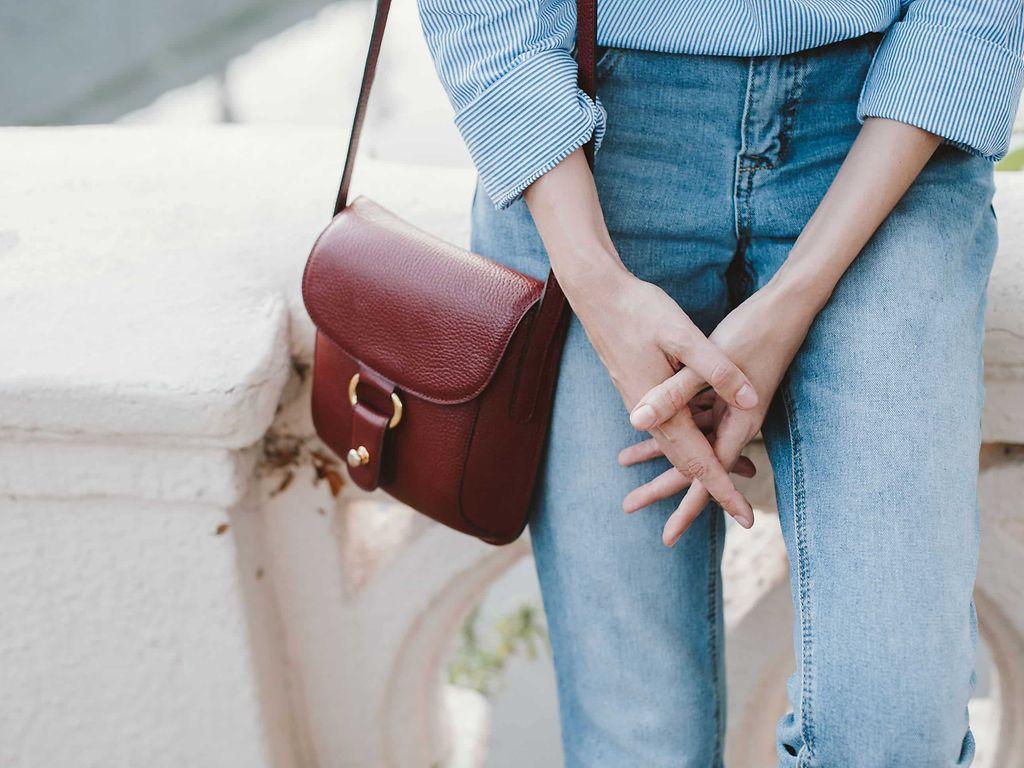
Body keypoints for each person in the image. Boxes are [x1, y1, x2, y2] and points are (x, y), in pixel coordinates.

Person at [417, 1, 1023, 765]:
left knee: (892, 730)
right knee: (636, 734)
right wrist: (600, 290)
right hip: (590, 132)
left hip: (887, 125)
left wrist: (795, 299)